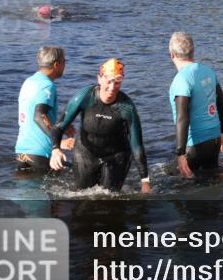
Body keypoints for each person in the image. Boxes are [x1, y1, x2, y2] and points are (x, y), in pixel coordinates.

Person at [50, 59, 151, 193]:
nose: (112, 86)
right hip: (85, 153)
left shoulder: (127, 107)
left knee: (109, 199)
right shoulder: (84, 97)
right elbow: (59, 126)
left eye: (117, 81)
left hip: (116, 155)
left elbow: (137, 145)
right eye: (108, 81)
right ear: (99, 78)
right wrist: (56, 150)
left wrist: (145, 181)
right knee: (81, 196)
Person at [168, 32, 223, 178]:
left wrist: (180, 154)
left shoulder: (181, 79)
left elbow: (182, 118)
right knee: (210, 178)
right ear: (193, 52)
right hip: (214, 141)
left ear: (172, 55)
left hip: (194, 145)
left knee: (171, 178)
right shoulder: (208, 71)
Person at [15, 46, 71, 172]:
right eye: (64, 61)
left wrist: (63, 126)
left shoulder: (28, 82)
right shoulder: (47, 85)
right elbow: (39, 116)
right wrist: (58, 142)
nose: (65, 64)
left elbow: (32, 113)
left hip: (21, 152)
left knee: (26, 191)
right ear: (56, 64)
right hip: (41, 153)